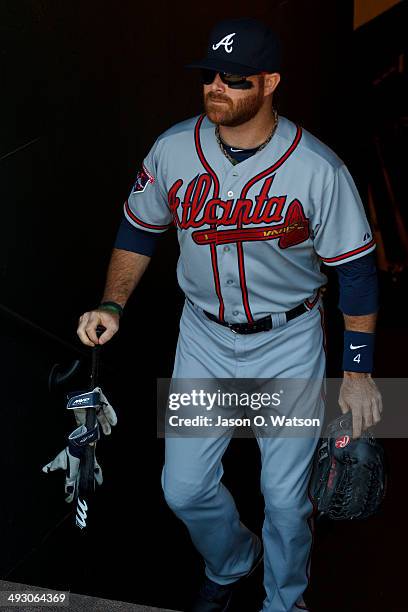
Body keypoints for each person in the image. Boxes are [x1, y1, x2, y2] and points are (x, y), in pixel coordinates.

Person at [77, 17, 383, 612]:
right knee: (183, 489)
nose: (217, 87)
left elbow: (358, 271)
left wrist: (360, 370)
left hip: (289, 341)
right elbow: (138, 230)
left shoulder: (319, 168)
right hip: (204, 340)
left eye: (236, 79)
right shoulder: (172, 149)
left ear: (270, 82)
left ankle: (284, 599)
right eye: (211, 75)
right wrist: (114, 300)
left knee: (286, 498)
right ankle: (234, 560)